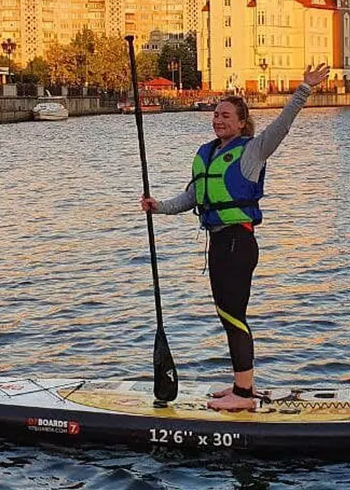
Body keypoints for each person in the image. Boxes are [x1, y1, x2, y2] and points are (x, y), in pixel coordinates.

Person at [140, 62, 330, 412]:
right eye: (215, 114)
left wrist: (304, 89)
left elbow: (283, 125)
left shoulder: (252, 151)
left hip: (237, 244)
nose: (218, 120)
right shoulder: (206, 154)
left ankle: (243, 395)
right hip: (219, 244)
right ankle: (241, 385)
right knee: (227, 314)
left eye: (226, 115)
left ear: (242, 122)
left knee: (232, 316)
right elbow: (193, 199)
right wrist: (158, 207)